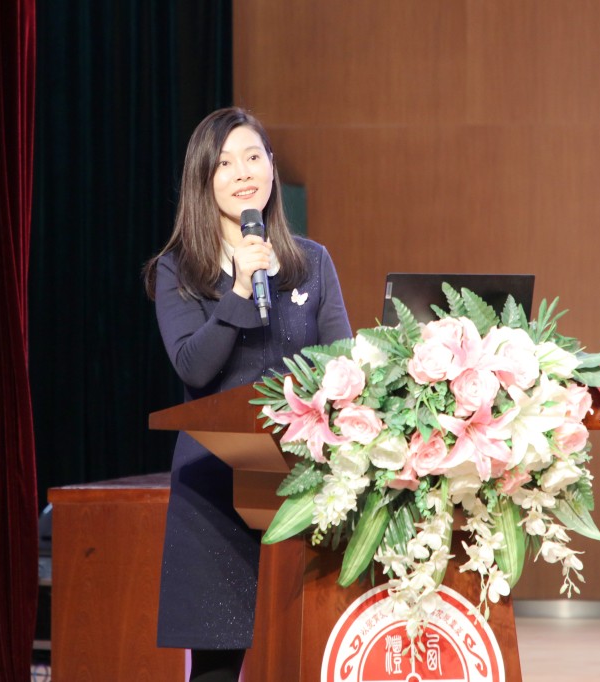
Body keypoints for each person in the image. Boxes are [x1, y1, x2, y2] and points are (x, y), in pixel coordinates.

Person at [144, 107, 352, 681]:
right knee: (216, 666)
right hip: (215, 486)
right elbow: (194, 367)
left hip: (304, 482)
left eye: (253, 157)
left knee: (312, 651)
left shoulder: (312, 263)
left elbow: (343, 365)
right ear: (204, 180)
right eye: (225, 163)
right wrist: (238, 291)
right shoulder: (179, 270)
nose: (242, 173)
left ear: (271, 169)